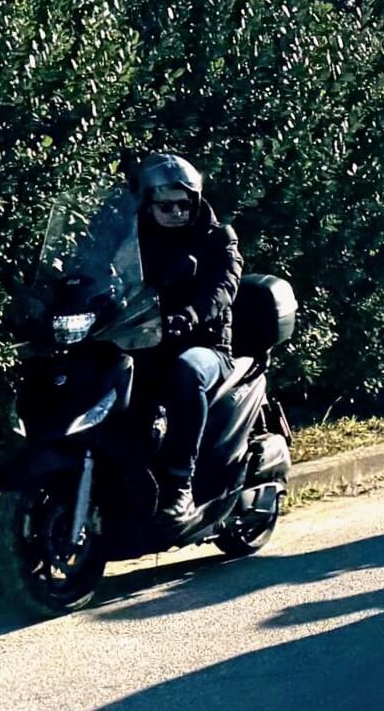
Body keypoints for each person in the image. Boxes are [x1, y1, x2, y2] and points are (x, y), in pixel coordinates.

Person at [136, 154, 243, 526]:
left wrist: (192, 314)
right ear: (147, 204)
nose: (176, 213)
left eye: (184, 204)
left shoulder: (217, 238)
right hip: (145, 341)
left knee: (186, 372)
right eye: (166, 206)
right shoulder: (132, 238)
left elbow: (224, 286)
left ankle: (180, 483)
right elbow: (103, 272)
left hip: (205, 345)